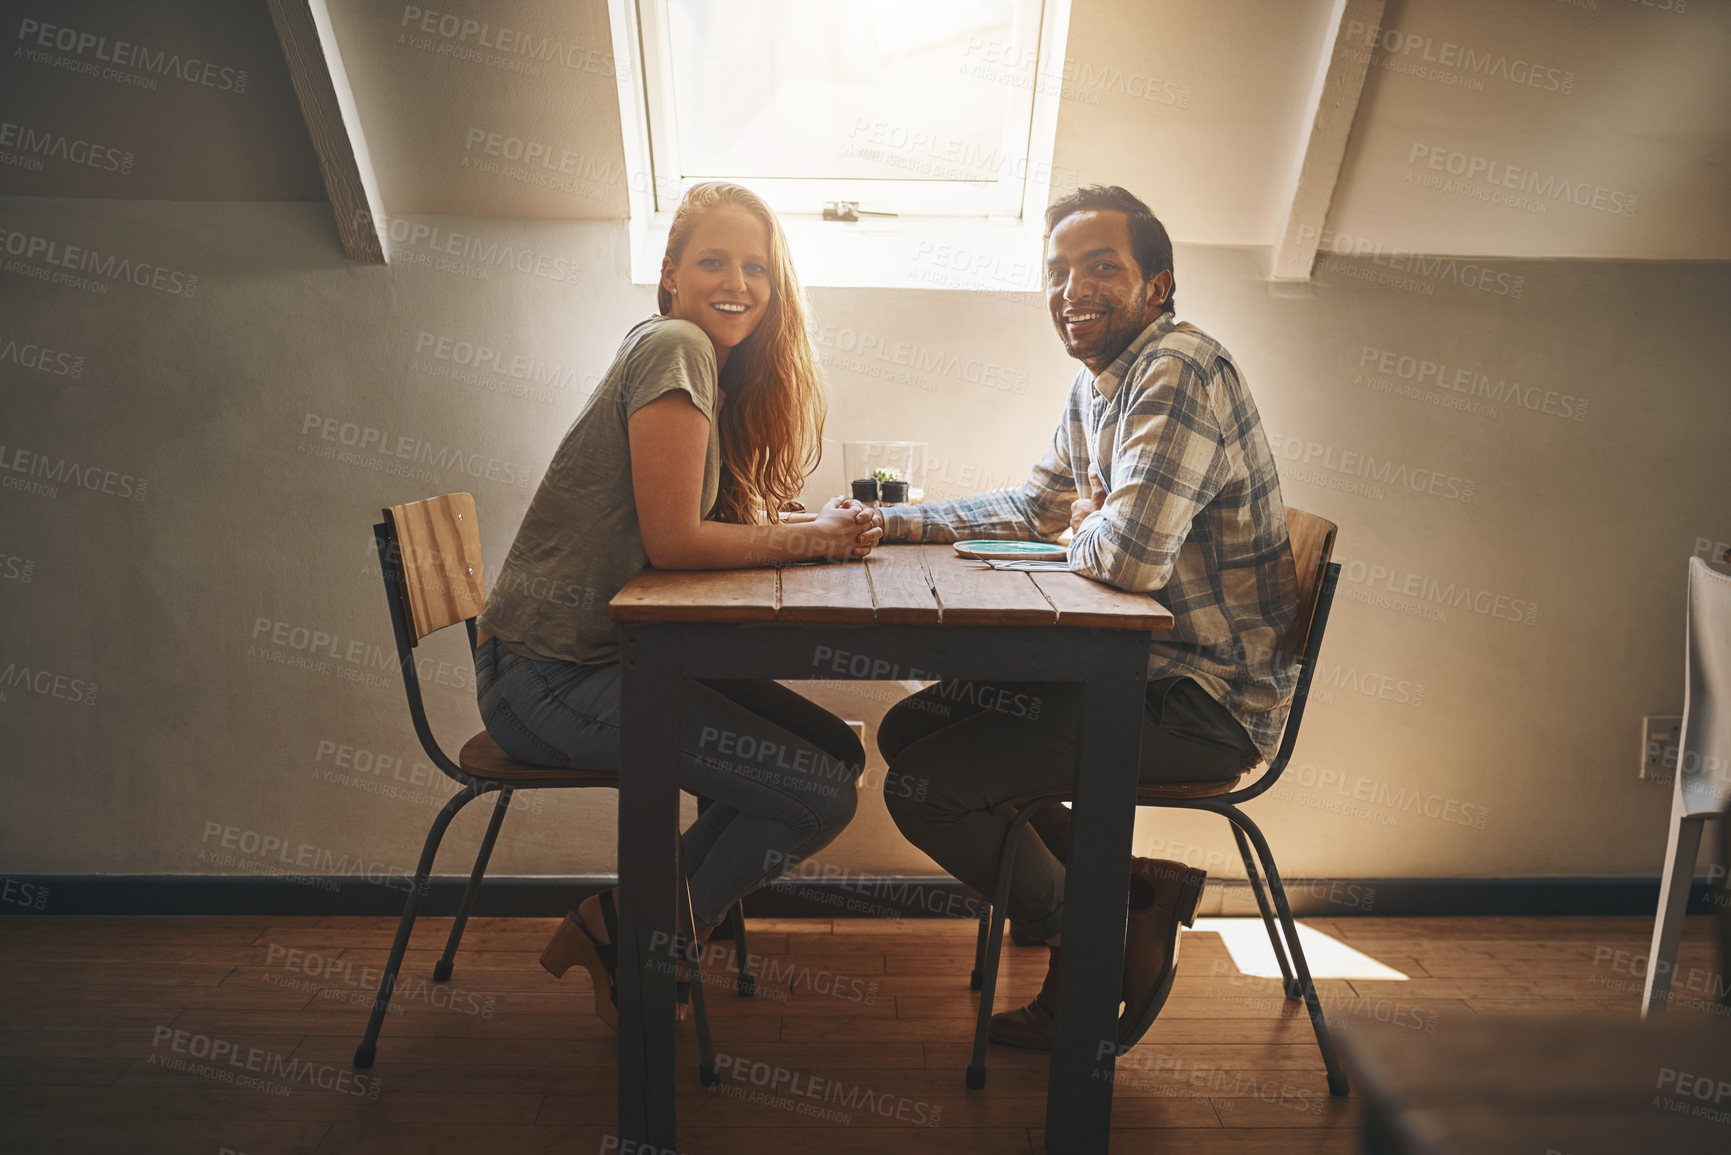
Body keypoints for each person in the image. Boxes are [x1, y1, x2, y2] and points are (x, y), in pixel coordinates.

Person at [872, 185, 1302, 1051]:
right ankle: (1133, 891)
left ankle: (1095, 934)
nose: (1074, 287)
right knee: (917, 723)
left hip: (1202, 701)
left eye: (1101, 266)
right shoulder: (1098, 382)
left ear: (1158, 284)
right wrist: (886, 523)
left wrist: (1090, 525)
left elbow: (1132, 556)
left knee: (923, 788)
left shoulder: (1177, 370)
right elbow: (1036, 504)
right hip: (1141, 675)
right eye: (1058, 269)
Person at [472, 181, 882, 1027]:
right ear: (669, 273)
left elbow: (694, 530)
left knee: (829, 756)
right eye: (713, 261)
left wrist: (800, 527)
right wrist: (816, 541)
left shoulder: (695, 357)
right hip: (551, 677)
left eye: (755, 267)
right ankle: (641, 936)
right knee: (820, 794)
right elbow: (675, 543)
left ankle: (630, 923)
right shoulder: (677, 345)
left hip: (593, 663)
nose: (737, 281)